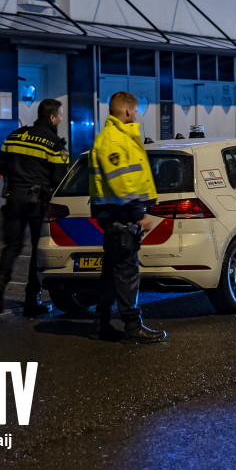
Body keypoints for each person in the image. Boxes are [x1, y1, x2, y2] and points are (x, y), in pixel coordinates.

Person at [89, 91, 166, 343]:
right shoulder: (113, 140)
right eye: (135, 112)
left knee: (113, 272)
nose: (137, 116)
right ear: (126, 111)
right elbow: (121, 180)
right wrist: (137, 213)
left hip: (118, 214)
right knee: (127, 272)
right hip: (121, 215)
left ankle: (102, 323)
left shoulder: (120, 138)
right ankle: (133, 326)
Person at [0, 99, 69, 316]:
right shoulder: (54, 144)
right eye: (60, 115)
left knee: (12, 246)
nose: (60, 119)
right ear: (52, 118)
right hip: (38, 204)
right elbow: (60, 179)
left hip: (13, 199)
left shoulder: (15, 135)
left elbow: (0, 164)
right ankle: (31, 301)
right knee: (37, 250)